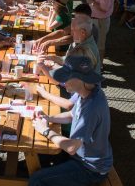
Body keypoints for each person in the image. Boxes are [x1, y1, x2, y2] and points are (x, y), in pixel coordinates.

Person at [29, 56, 113, 186]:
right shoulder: (88, 92)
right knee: (40, 154)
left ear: (80, 79)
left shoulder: (92, 107)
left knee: (37, 180)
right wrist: (48, 118)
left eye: (65, 77)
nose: (61, 80)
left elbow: (71, 147)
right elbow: (71, 115)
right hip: (82, 157)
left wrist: (45, 130)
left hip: (90, 169)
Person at [87, 0, 115, 69]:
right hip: (96, 19)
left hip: (101, 21)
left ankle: (99, 67)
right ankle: (93, 63)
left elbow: (104, 8)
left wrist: (92, 1)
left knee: (100, 45)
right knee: (94, 42)